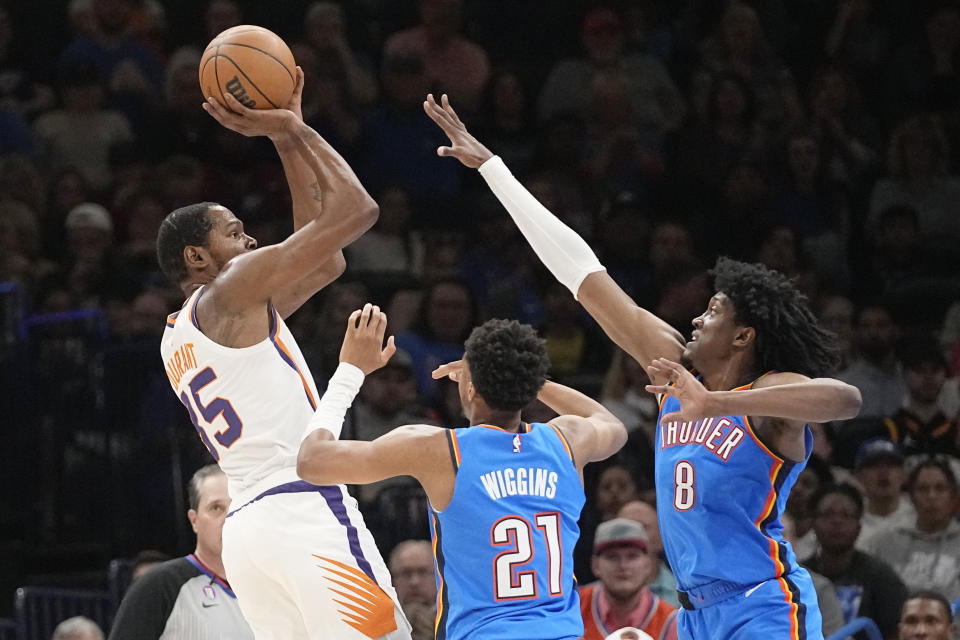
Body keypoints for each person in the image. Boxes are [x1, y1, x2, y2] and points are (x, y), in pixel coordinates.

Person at [423, 92, 863, 640]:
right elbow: (582, 274)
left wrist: (720, 403)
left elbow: (845, 399)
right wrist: (493, 169)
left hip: (765, 605)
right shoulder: (673, 365)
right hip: (694, 613)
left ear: (744, 336)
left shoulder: (771, 392)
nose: (698, 318)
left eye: (714, 312)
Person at [156, 73, 409, 639]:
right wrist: (295, 126)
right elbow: (359, 211)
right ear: (197, 255)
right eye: (234, 231)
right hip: (301, 507)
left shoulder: (183, 331)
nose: (248, 243)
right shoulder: (231, 288)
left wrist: (284, 140)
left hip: (250, 533)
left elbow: (326, 262)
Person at [297, 312, 628, 640]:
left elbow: (312, 461)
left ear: (470, 390)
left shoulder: (439, 450)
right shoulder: (567, 441)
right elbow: (611, 424)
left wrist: (349, 371)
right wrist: (523, 377)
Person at [109, 465, 253, 640]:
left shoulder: (272, 586)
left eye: (238, 506)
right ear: (194, 520)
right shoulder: (160, 584)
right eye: (216, 508)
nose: (229, 518)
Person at [800, 483, 907, 639]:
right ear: (813, 524)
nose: (837, 522)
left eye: (846, 515)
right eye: (827, 514)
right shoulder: (800, 576)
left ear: (859, 526)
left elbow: (896, 632)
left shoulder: (882, 577)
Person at [862, 457, 960, 601]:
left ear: (953, 497)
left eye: (940, 488)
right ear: (911, 497)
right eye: (923, 489)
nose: (931, 496)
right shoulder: (883, 543)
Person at [579, 518, 678, 640]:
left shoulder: (671, 622)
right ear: (595, 565)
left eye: (632, 556)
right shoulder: (572, 608)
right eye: (612, 557)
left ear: (648, 564)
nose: (623, 566)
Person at [389, 540, 437, 640]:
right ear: (393, 580)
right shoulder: (375, 627)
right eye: (405, 573)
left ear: (439, 578)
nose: (414, 582)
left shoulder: (457, 625)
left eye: (423, 572)